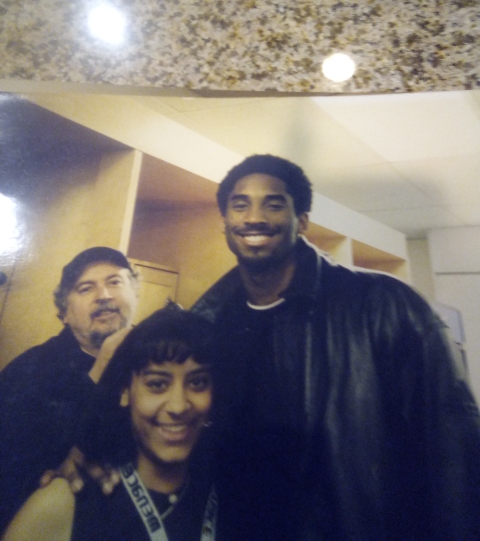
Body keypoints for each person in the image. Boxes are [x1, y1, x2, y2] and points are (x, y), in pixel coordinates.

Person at [191, 154, 480, 541]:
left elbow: (454, 448)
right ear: (225, 222)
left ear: (303, 222)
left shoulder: (385, 305)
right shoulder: (205, 322)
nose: (254, 217)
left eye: (274, 204)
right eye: (240, 205)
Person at [1, 305, 218, 541]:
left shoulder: (228, 494)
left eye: (197, 383)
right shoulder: (64, 502)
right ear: (125, 391)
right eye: (157, 384)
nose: (178, 406)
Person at [0, 246, 139, 531]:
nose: (104, 295)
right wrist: (101, 368)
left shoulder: (157, 358)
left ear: (135, 292)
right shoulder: (32, 370)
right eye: (86, 288)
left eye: (114, 282)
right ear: (65, 313)